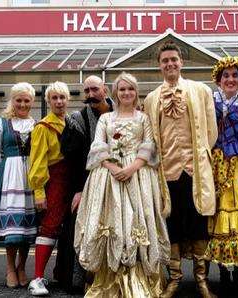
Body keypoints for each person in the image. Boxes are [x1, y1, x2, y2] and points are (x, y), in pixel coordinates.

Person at [74, 72, 170, 297]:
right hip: (109, 177)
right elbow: (98, 145)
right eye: (122, 89)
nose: (126, 93)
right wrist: (113, 167)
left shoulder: (143, 118)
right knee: (114, 222)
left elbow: (149, 145)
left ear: (136, 93)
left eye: (131, 89)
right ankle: (110, 279)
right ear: (115, 92)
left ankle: (138, 280)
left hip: (138, 175)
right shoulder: (106, 119)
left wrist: (132, 167)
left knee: (136, 221)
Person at [143, 41, 218, 298]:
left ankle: (202, 280)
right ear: (159, 65)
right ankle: (174, 279)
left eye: (174, 59)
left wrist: (200, 157)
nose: (170, 64)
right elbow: (151, 136)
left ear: (181, 62)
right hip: (167, 172)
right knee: (171, 226)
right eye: (165, 61)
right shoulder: (152, 98)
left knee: (199, 224)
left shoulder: (200, 90)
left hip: (195, 170)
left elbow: (211, 131)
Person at [204, 56, 238, 292]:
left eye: (234, 75)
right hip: (214, 161)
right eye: (225, 76)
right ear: (219, 79)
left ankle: (237, 268)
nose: (230, 79)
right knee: (215, 210)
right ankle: (221, 270)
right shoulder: (208, 101)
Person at [56, 75, 113, 293]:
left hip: (119, 180)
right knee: (82, 231)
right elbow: (72, 161)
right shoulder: (76, 120)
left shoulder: (121, 113)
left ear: (105, 90)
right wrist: (79, 191)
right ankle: (81, 280)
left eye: (94, 90)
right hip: (87, 183)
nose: (90, 95)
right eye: (86, 91)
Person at [0, 82, 37, 288]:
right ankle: (10, 268)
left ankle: (22, 267)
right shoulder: (0, 123)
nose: (22, 104)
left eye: (26, 101)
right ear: (12, 100)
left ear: (32, 102)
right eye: (18, 100)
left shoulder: (36, 125)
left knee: (26, 227)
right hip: (9, 177)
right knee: (11, 229)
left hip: (29, 176)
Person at [28, 81, 71, 296]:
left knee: (70, 229)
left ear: (68, 99)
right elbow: (37, 161)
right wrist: (38, 192)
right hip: (54, 180)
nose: (59, 101)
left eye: (62, 97)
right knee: (50, 226)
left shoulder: (71, 122)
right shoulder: (43, 127)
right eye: (54, 98)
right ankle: (37, 278)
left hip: (71, 180)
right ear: (48, 101)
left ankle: (65, 274)